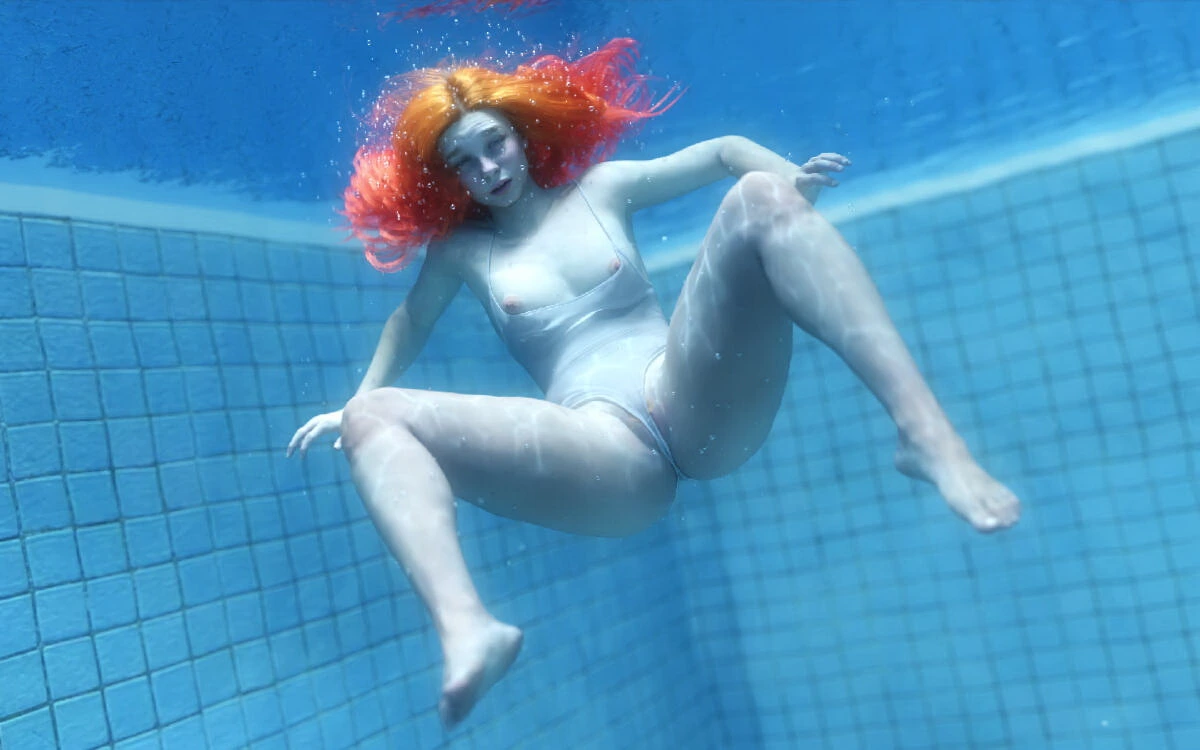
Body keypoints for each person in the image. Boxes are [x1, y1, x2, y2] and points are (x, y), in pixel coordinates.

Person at [288, 38, 1021, 728]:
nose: (488, 169)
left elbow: (724, 152)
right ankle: (469, 630)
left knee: (758, 196)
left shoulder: (600, 190)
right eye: (464, 163)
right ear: (449, 180)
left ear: (524, 134)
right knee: (373, 417)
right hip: (601, 450)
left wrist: (789, 181)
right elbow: (409, 321)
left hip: (690, 392)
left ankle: (927, 437)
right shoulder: (461, 255)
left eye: (495, 144)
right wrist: (356, 400)